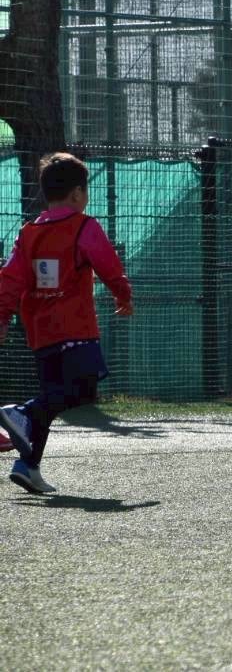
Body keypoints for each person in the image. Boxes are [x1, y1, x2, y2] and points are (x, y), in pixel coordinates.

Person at [0, 152, 134, 494]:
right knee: (84, 388)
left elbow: (11, 279)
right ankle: (22, 412)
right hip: (75, 328)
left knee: (53, 397)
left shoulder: (29, 233)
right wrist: (123, 294)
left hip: (41, 331)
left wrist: (2, 316)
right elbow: (107, 262)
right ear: (77, 194)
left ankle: (28, 466)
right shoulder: (84, 226)